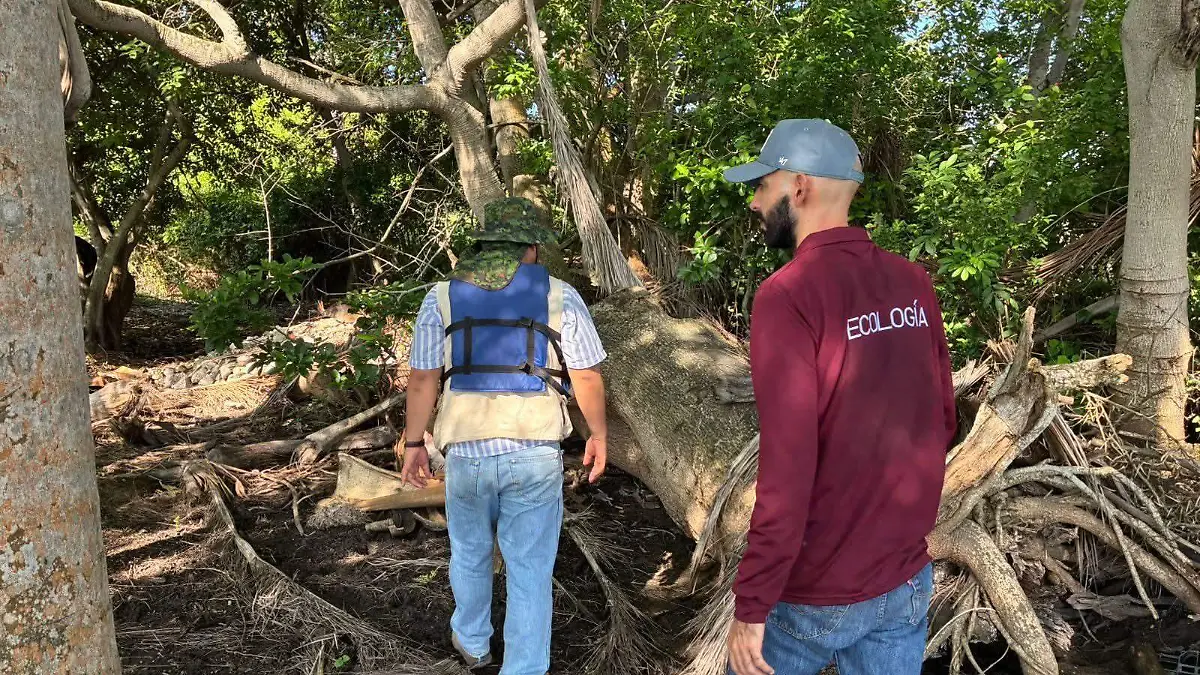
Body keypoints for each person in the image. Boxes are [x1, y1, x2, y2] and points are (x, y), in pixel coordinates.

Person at [721, 119, 957, 675]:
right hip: (903, 577)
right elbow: (942, 418)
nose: (756, 202)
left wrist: (752, 604)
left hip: (815, 590)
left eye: (762, 185)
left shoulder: (787, 296)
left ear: (798, 187)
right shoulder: (912, 282)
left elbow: (787, 469)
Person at [398, 196, 609, 675]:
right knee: (530, 569)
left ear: (485, 244)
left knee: (470, 551)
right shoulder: (561, 295)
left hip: (466, 453)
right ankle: (524, 667)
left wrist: (414, 444)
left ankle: (473, 644)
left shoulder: (441, 296)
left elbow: (422, 378)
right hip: (534, 452)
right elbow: (588, 375)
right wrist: (598, 433)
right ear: (532, 248)